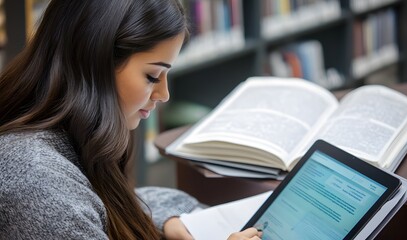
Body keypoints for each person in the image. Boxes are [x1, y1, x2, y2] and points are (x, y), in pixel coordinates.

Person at [0, 0, 263, 239]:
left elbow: (102, 203)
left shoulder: (67, 141)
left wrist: (168, 220)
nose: (164, 95)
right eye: (152, 76)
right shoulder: (36, 178)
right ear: (95, 63)